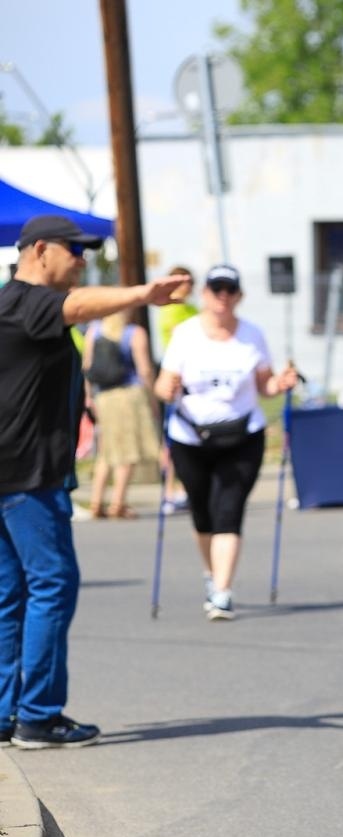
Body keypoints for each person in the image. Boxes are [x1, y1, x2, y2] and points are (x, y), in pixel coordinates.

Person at [1, 214, 187, 748]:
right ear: (40, 251)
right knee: (52, 585)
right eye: (74, 250)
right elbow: (76, 308)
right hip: (29, 476)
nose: (82, 259)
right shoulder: (32, 304)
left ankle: (6, 713)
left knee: (10, 593)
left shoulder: (4, 305)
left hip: (8, 472)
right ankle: (38, 715)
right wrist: (144, 293)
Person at [153, 265, 299, 621]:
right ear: (204, 294)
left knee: (229, 509)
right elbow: (162, 383)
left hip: (243, 435)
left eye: (229, 289)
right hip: (191, 437)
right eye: (216, 288)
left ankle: (222, 592)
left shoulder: (252, 336)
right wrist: (166, 390)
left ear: (239, 296)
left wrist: (279, 385)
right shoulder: (186, 335)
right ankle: (211, 574)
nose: (222, 296)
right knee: (202, 512)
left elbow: (264, 384)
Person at [83, 310, 161, 518]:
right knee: (127, 451)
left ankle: (96, 501)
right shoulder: (134, 333)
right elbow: (144, 370)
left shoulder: (95, 330)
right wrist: (153, 399)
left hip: (104, 397)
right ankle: (118, 502)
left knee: (106, 452)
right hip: (129, 394)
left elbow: (87, 366)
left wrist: (89, 397)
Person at [153, 266, 199, 514]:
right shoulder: (171, 310)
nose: (187, 288)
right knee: (172, 435)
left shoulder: (193, 309)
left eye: (190, 283)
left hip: (196, 378)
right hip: (175, 375)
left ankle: (186, 488)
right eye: (183, 283)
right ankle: (168, 490)